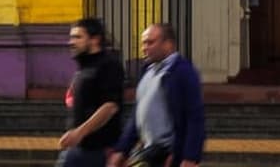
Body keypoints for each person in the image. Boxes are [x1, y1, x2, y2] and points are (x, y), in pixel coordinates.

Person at [110, 23, 203, 167]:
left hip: (169, 155)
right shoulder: (147, 71)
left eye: (150, 42)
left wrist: (190, 156)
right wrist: (122, 150)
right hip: (149, 152)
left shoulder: (183, 72)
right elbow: (137, 116)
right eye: (143, 43)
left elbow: (194, 117)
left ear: (168, 44)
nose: (144, 48)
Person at [58, 17, 125, 167]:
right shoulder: (84, 66)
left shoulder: (108, 65)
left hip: (97, 151)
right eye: (71, 37)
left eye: (78, 37)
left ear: (95, 40)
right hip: (77, 149)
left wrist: (79, 133)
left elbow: (110, 106)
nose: (71, 42)